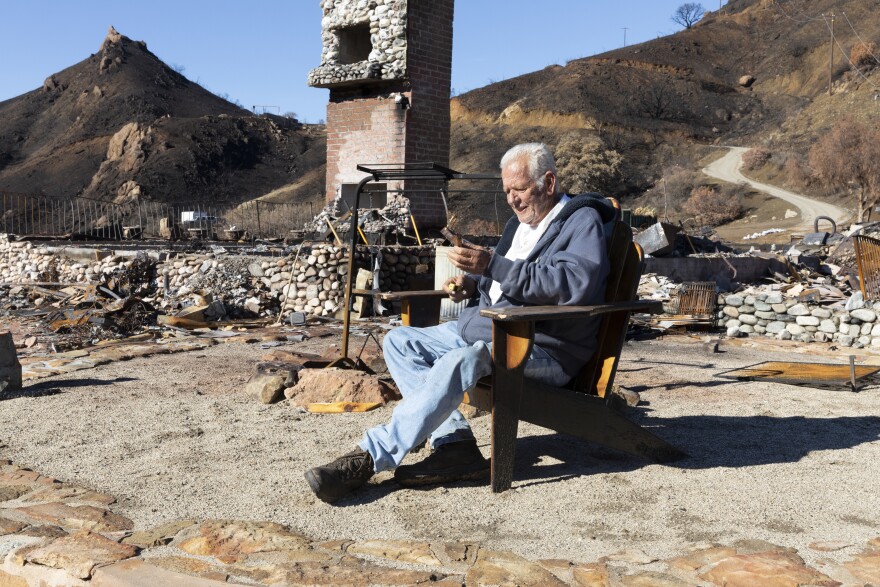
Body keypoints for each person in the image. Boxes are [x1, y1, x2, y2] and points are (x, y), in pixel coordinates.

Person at [305, 143, 613, 503]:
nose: (513, 200)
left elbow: (573, 285)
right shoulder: (519, 225)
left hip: (541, 346)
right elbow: (505, 277)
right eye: (507, 192)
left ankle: (371, 456)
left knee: (459, 361)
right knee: (400, 341)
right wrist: (472, 283)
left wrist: (491, 267)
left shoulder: (581, 221)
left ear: (548, 181)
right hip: (490, 329)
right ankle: (455, 447)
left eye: (520, 189)